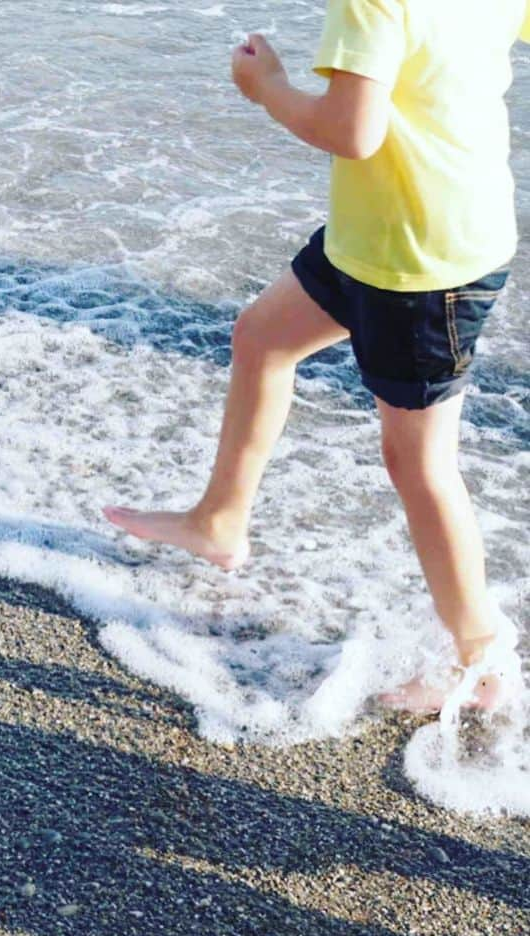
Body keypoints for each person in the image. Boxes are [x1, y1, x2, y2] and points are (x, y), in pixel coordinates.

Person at [104, 1, 530, 711]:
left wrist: (267, 85)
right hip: (394, 234)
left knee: (419, 462)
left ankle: (479, 660)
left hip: (415, 265)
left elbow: (350, 131)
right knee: (262, 338)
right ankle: (220, 521)